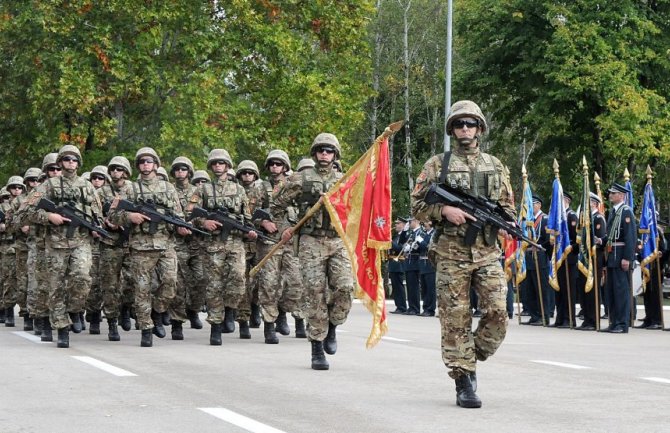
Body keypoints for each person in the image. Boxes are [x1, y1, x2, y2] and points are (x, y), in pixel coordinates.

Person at [411, 100, 514, 408]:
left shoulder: (496, 166)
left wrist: (508, 224)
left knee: (498, 311)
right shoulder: (436, 164)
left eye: (470, 124)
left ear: (479, 127)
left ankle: (469, 355)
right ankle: (463, 380)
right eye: (459, 124)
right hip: (450, 252)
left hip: (486, 251)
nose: (465, 129)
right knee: (455, 319)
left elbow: (507, 205)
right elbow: (417, 204)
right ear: (452, 129)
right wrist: (445, 210)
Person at [272, 132, 354, 371]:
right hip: (310, 241)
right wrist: (285, 229)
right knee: (315, 293)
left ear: (335, 154)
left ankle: (333, 327)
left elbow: (357, 208)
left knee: (345, 287)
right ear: (315, 153)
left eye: (329, 151)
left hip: (338, 242)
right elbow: (277, 206)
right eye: (321, 150)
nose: (324, 154)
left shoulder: (346, 179)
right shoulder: (301, 179)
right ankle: (317, 348)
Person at [23, 145, 104, 348]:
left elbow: (97, 214)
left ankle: (74, 310)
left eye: (74, 159)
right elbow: (27, 211)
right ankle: (61, 328)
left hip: (81, 241)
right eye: (66, 159)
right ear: (60, 162)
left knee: (82, 278)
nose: (70, 163)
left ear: (78, 163)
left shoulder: (87, 186)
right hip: (56, 244)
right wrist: (49, 216)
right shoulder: (48, 185)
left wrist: (97, 227)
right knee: (56, 287)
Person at [108, 147, 190, 347]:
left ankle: (158, 311)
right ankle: (146, 328)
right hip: (140, 247)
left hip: (165, 245)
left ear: (156, 164)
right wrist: (129, 216)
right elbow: (112, 216)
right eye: (142, 162)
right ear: (138, 166)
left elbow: (178, 216)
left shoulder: (168, 188)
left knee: (170, 284)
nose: (146, 165)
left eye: (149, 161)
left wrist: (181, 227)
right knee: (142, 290)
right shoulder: (129, 189)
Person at [185, 149, 257, 344]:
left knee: (238, 279)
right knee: (214, 286)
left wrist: (250, 232)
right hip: (213, 243)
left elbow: (247, 218)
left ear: (227, 166)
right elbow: (189, 215)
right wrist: (203, 223)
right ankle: (216, 326)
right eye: (215, 163)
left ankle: (230, 310)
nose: (218, 166)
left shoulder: (239, 190)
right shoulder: (203, 190)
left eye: (221, 163)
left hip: (235, 242)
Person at [255, 150, 306, 343]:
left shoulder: (296, 184)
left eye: (279, 163)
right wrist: (262, 223)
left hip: (292, 242)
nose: (275, 167)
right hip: (270, 242)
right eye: (272, 164)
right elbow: (248, 212)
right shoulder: (260, 188)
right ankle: (269, 325)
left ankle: (283, 310)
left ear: (285, 166)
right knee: (269, 284)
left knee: (296, 284)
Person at [169, 156, 206, 339]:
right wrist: (177, 226)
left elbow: (206, 213)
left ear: (189, 171)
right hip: (177, 243)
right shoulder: (169, 190)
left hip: (197, 242)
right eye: (177, 169)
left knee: (200, 280)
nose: (180, 172)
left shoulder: (198, 191)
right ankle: (177, 322)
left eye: (183, 169)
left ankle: (194, 309)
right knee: (179, 284)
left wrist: (198, 223)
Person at [96, 156, 132, 341]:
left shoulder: (133, 189)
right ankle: (111, 321)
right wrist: (107, 223)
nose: (116, 172)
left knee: (132, 282)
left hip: (131, 243)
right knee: (110, 285)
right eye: (113, 169)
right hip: (109, 242)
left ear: (125, 171)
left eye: (119, 169)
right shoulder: (101, 192)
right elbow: (94, 212)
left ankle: (126, 308)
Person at [602, 183, 636, 333]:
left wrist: (627, 258)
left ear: (621, 196)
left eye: (613, 193)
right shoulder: (614, 212)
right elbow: (610, 235)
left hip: (620, 254)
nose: (610, 195)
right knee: (612, 291)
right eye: (610, 193)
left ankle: (622, 324)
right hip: (611, 255)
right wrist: (600, 240)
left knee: (621, 291)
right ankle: (614, 322)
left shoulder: (626, 212)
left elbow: (630, 237)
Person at [236, 160, 264, 329]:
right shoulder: (234, 191)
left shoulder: (263, 191)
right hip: (240, 241)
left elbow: (272, 212)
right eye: (244, 172)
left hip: (260, 241)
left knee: (261, 281)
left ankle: (255, 306)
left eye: (250, 173)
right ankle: (242, 318)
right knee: (242, 282)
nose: (247, 175)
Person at [520, 196, 552, 326]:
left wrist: (540, 247)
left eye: (532, 204)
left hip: (540, 255)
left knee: (541, 288)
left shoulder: (545, 219)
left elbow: (548, 239)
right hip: (528, 256)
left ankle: (544, 315)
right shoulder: (528, 220)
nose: (530, 207)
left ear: (539, 205)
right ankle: (534, 315)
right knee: (529, 288)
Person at [577, 193, 607, 330]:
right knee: (585, 289)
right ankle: (587, 319)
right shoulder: (587, 219)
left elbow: (599, 240)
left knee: (593, 290)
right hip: (585, 258)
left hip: (595, 258)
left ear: (594, 204)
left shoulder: (598, 218)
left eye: (587, 202)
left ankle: (593, 320)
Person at [635, 213, 668, 329]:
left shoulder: (656, 231)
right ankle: (648, 318)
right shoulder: (644, 231)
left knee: (654, 294)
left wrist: (660, 255)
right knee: (647, 293)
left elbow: (663, 250)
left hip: (655, 267)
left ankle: (657, 319)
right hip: (646, 266)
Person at [553, 192, 579, 328]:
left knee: (568, 290)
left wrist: (569, 248)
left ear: (567, 201)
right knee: (559, 289)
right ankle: (560, 318)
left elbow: (577, 239)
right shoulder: (558, 217)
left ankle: (569, 319)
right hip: (559, 257)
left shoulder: (572, 216)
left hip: (569, 258)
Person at [401, 217, 422, 315]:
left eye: (411, 221)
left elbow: (420, 247)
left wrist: (413, 248)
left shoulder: (420, 232)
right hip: (409, 262)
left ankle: (415, 308)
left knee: (414, 287)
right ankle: (411, 307)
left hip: (415, 262)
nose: (409, 223)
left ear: (416, 221)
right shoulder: (412, 233)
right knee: (410, 286)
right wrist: (404, 232)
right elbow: (402, 241)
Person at [388, 217, 408, 314]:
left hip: (399, 264)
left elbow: (400, 248)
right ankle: (398, 306)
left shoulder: (404, 236)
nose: (396, 225)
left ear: (404, 225)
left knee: (399, 287)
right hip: (393, 264)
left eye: (398, 223)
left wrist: (389, 241)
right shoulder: (396, 236)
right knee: (395, 287)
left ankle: (402, 306)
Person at [417, 221, 436, 316]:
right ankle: (425, 308)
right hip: (422, 264)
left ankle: (430, 309)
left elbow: (430, 246)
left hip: (430, 264)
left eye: (426, 222)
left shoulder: (434, 233)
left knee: (430, 289)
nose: (425, 224)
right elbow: (419, 249)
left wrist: (421, 241)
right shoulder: (424, 234)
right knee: (424, 288)